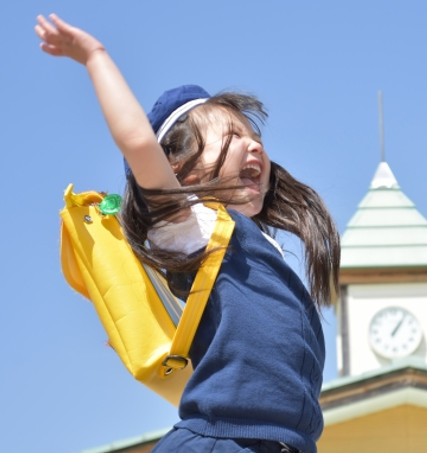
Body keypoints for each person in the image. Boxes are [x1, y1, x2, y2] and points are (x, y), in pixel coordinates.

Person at [35, 14, 340, 453]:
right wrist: (94, 56)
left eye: (256, 137)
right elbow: (138, 142)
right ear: (177, 167)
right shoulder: (192, 226)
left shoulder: (258, 245)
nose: (255, 145)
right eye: (233, 135)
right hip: (222, 440)